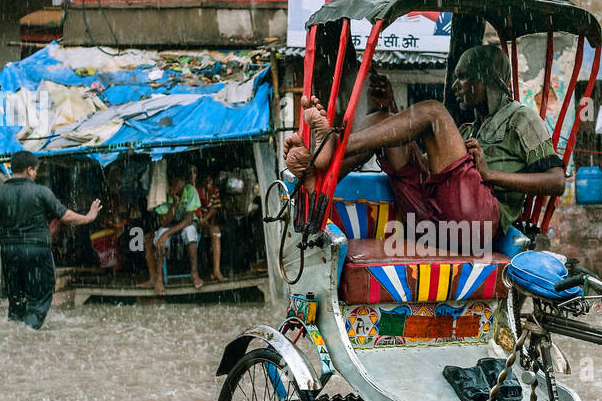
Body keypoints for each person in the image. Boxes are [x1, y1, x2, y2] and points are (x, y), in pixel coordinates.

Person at [284, 44, 564, 250]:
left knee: (433, 111)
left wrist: (491, 176)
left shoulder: (522, 118)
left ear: (488, 78)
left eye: (463, 77)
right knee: (384, 119)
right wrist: (390, 108)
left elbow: (556, 181)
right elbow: (420, 164)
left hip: (476, 227)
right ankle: (318, 179)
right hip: (434, 223)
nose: (456, 86)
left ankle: (337, 146)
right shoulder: (467, 130)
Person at [0, 150, 101, 329]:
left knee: (16, 300)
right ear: (31, 170)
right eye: (36, 170)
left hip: (10, 254)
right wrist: (88, 217)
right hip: (37, 252)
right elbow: (66, 216)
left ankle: (15, 334)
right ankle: (29, 332)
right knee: (40, 298)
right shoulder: (41, 192)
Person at [141, 173, 204, 293]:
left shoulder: (190, 190)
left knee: (190, 231)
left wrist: (167, 233)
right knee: (160, 238)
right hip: (169, 225)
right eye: (173, 181)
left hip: (186, 224)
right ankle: (159, 278)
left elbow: (188, 220)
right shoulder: (162, 194)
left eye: (179, 181)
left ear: (184, 182)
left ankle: (194, 274)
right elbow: (164, 222)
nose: (176, 184)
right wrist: (174, 203)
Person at [195, 171, 227, 282]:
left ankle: (216, 271)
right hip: (195, 222)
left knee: (216, 232)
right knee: (214, 232)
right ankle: (210, 272)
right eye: (207, 181)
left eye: (211, 181)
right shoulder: (196, 191)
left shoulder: (214, 190)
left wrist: (206, 220)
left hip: (207, 222)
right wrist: (201, 220)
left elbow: (214, 209)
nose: (210, 183)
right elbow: (195, 212)